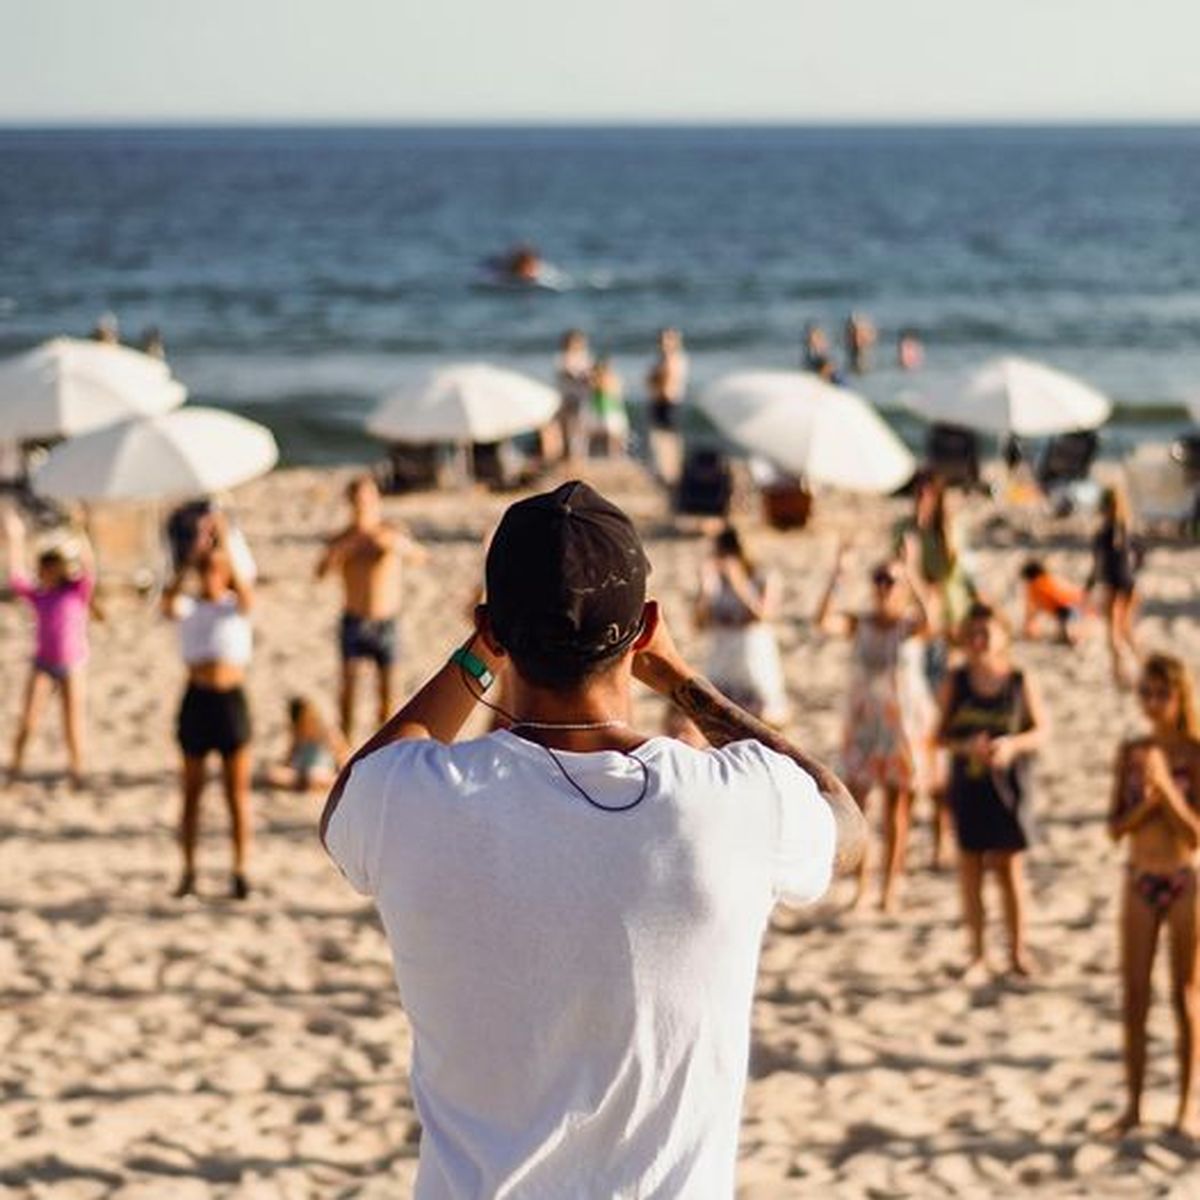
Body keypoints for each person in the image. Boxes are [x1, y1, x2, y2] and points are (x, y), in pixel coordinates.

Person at [320, 479, 866, 1197]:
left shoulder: (415, 801)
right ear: (644, 627)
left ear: (490, 628)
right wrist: (677, 676)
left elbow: (346, 804)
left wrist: (480, 655)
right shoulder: (738, 801)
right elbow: (844, 820)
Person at [1106, 654, 1200, 1139]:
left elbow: (1195, 835)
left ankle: (1186, 1106)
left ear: (1180, 695)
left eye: (1161, 693)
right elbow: (1114, 828)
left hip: (1185, 880)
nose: (1152, 702)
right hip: (1139, 877)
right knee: (1135, 997)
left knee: (1186, 997)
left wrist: (1166, 790)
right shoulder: (1133, 751)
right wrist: (1145, 803)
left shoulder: (1195, 752)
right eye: (1145, 692)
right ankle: (1134, 1106)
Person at [815, 539, 934, 911]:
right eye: (879, 579)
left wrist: (910, 572)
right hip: (866, 724)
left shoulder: (908, 625)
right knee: (860, 807)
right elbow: (822, 621)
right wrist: (839, 573)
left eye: (890, 580)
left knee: (897, 810)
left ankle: (891, 887)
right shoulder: (861, 623)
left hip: (902, 726)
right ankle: (863, 886)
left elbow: (934, 620)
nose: (884, 586)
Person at [936, 603, 1045, 978]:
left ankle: (1017, 952)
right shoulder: (958, 680)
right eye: (973, 634)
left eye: (987, 632)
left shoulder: (1018, 679)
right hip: (969, 783)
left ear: (1003, 635)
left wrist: (1012, 745)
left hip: (1010, 785)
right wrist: (968, 747)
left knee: (1010, 869)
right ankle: (978, 954)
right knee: (970, 869)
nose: (979, 640)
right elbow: (940, 735)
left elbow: (1042, 730)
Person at [162, 515, 254, 899]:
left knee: (236, 795)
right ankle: (188, 870)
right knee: (192, 794)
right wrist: (192, 556)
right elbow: (167, 602)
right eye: (206, 571)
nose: (210, 577)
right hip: (197, 700)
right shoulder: (188, 606)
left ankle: (240, 869)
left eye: (216, 571)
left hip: (230, 701)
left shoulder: (235, 605)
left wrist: (224, 542)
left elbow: (248, 594)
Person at [894, 470, 977, 866]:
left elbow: (946, 577)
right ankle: (931, 836)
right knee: (922, 735)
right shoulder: (905, 529)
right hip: (923, 633)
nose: (920, 497)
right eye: (918, 491)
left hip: (946, 634)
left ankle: (943, 837)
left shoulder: (948, 529)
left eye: (927, 491)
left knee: (939, 734)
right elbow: (900, 578)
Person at [316, 475, 428, 741]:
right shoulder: (343, 538)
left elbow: (420, 557)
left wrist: (398, 546)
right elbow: (319, 574)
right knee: (348, 693)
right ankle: (346, 747)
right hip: (354, 620)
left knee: (388, 695)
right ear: (350, 503)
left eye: (367, 499)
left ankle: (386, 747)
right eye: (358, 500)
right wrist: (340, 552)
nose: (363, 505)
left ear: (376, 500)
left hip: (386, 620)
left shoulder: (391, 532)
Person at [4, 508, 94, 787]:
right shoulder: (38, 595)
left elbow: (90, 566)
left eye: (43, 569)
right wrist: (15, 539)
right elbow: (16, 575)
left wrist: (80, 529)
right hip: (42, 663)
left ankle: (77, 774)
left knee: (72, 725)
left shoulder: (76, 591)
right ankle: (14, 771)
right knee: (28, 722)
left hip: (73, 665)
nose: (39, 573)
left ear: (54, 570)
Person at [693, 525, 789, 726]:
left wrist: (738, 583)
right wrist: (705, 591)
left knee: (762, 718)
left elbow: (762, 615)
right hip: (722, 657)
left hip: (752, 656)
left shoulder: (762, 576)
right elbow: (698, 624)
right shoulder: (714, 581)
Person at [1086, 485, 1142, 686]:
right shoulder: (1127, 529)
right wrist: (1134, 571)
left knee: (1113, 634)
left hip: (1113, 586)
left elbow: (1098, 565)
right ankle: (1143, 666)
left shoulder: (1101, 535)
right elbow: (1140, 555)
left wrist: (1089, 585)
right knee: (1127, 631)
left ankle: (1118, 673)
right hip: (1130, 584)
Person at [264, 696, 348, 793]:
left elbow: (344, 759)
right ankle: (306, 784)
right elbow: (288, 759)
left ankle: (310, 784)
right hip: (300, 772)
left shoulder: (328, 732)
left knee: (314, 777)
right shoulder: (297, 734)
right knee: (273, 774)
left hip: (321, 772)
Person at [646, 328, 688, 486]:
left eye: (667, 340)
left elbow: (665, 386)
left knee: (669, 439)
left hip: (669, 403)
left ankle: (672, 474)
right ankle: (666, 473)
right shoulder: (661, 360)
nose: (663, 344)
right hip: (660, 402)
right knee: (661, 439)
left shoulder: (674, 359)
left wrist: (656, 380)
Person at [1020, 559, 1086, 646]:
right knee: (1065, 621)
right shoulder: (1044, 581)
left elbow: (1032, 609)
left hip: (1069, 606)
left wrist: (1030, 626)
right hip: (1074, 604)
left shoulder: (1038, 584)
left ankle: (1071, 637)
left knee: (1066, 620)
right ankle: (1068, 635)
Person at [555, 329, 592, 462]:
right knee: (569, 428)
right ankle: (571, 456)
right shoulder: (563, 358)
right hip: (568, 396)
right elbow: (567, 374)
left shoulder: (585, 356)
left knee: (581, 426)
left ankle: (579, 456)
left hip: (582, 396)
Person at [588, 357, 629, 458]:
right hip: (608, 414)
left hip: (607, 415)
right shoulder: (613, 379)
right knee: (611, 442)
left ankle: (610, 458)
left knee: (607, 442)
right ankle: (613, 458)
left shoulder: (602, 380)